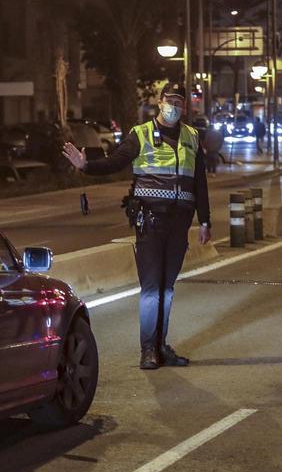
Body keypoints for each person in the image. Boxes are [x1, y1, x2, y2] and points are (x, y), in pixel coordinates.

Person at [63, 83, 212, 369]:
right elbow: (116, 161)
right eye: (170, 101)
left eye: (180, 102)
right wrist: (86, 166)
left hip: (179, 222)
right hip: (151, 221)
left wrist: (205, 220)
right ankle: (148, 350)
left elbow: (200, 182)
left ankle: (160, 344)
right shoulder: (140, 134)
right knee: (152, 288)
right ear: (159, 102)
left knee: (167, 288)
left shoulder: (192, 137)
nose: (175, 106)